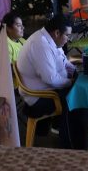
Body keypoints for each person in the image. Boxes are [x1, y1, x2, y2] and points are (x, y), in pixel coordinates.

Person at [15, 13, 80, 148]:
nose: (68, 39)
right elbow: (51, 79)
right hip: (38, 96)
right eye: (67, 35)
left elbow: (63, 60)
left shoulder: (51, 39)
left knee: (77, 88)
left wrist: (75, 71)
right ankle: (69, 143)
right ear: (57, 33)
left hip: (48, 88)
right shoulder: (40, 45)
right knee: (76, 98)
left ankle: (61, 128)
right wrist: (71, 82)